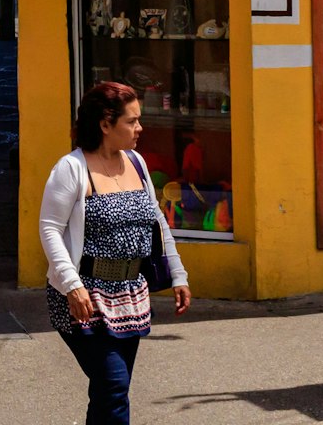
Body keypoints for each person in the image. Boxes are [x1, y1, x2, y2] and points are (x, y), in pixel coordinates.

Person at [39, 82, 192, 425]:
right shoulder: (71, 169)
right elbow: (49, 229)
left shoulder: (136, 163)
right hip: (84, 298)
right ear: (105, 124)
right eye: (132, 121)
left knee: (108, 392)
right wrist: (72, 285)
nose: (140, 128)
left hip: (130, 295)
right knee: (113, 384)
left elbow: (157, 222)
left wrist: (178, 274)